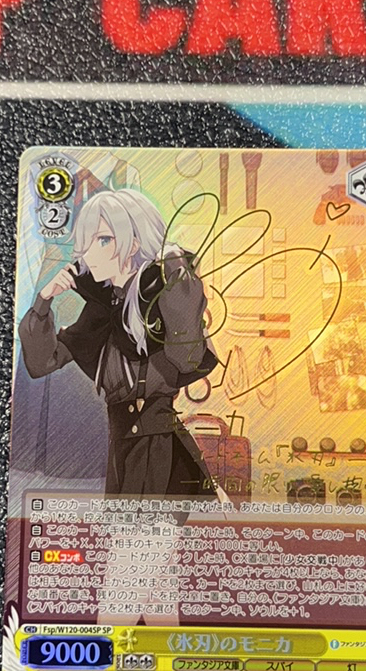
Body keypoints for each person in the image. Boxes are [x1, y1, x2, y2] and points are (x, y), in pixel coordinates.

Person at [19, 188, 219, 499]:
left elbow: (186, 358)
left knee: (139, 528)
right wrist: (44, 300)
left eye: (103, 240)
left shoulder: (163, 299)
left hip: (159, 452)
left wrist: (177, 275)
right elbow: (43, 362)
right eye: (86, 243)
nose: (89, 253)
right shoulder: (102, 310)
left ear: (134, 243)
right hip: (123, 449)